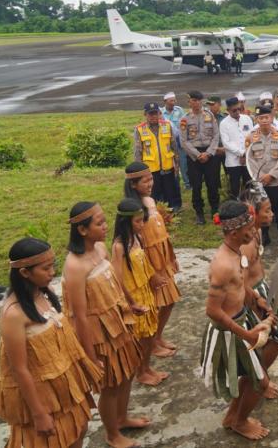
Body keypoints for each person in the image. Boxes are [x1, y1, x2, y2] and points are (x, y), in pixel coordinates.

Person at [0, 238, 102, 448]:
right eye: (45, 268)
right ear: (25, 273)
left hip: (65, 388)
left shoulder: (45, 293)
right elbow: (19, 369)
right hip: (42, 397)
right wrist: (38, 414)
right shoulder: (13, 314)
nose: (52, 272)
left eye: (53, 265)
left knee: (78, 430)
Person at [62, 202, 145, 448]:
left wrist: (129, 304)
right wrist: (90, 356)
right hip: (98, 334)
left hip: (118, 324)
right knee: (111, 383)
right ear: (82, 230)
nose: (106, 226)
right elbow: (79, 315)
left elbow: (114, 284)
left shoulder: (99, 248)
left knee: (127, 372)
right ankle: (112, 434)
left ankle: (121, 418)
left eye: (104, 220)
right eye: (99, 223)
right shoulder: (74, 265)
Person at [201, 200, 274, 441]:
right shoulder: (222, 265)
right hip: (230, 331)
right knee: (260, 383)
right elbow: (212, 310)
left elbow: (240, 282)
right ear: (234, 233)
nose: (253, 233)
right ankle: (240, 422)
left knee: (250, 375)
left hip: (241, 321)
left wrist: (255, 298)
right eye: (249, 230)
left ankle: (233, 416)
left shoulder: (236, 252)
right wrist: (246, 334)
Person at [124, 162, 181, 356]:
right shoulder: (135, 208)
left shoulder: (149, 200)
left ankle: (158, 337)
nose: (150, 183)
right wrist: (152, 272)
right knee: (158, 304)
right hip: (150, 264)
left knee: (170, 300)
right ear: (133, 184)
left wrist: (170, 257)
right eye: (145, 180)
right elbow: (139, 245)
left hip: (162, 259)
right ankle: (152, 342)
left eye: (151, 178)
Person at [240, 183, 278, 398]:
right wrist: (257, 300)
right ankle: (257, 381)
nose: (271, 214)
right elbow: (239, 282)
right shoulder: (245, 244)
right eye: (267, 210)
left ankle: (259, 378)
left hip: (261, 289)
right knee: (273, 340)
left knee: (274, 340)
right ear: (252, 212)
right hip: (252, 297)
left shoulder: (256, 231)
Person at [111, 197, 165, 387]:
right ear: (126, 222)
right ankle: (140, 372)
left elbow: (144, 262)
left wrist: (154, 278)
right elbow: (117, 278)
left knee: (151, 333)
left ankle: (148, 367)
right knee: (141, 337)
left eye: (142, 220)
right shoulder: (119, 247)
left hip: (146, 292)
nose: (142, 224)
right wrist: (131, 303)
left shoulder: (138, 239)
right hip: (133, 297)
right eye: (137, 221)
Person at [247, 103, 278, 248]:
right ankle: (264, 235)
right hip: (258, 181)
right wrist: (260, 176)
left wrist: (271, 175)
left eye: (266, 117)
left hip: (277, 180)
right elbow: (249, 159)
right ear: (256, 120)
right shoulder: (251, 137)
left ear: (271, 118)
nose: (264, 120)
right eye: (261, 118)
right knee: (260, 210)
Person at [181, 90, 221, 224]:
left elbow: (216, 136)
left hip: (210, 154)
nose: (196, 103)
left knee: (212, 183)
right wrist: (198, 155)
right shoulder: (185, 119)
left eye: (198, 100)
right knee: (196, 185)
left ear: (202, 101)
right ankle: (199, 212)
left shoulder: (209, 115)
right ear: (189, 102)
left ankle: (215, 210)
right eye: (193, 100)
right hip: (194, 156)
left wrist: (208, 153)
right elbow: (184, 141)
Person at [134, 102, 182, 211]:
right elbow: (138, 152)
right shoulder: (140, 129)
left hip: (168, 167)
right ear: (145, 115)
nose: (153, 116)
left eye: (155, 113)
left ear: (159, 113)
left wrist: (177, 167)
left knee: (170, 193)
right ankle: (154, 215)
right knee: (154, 195)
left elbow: (174, 147)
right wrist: (139, 173)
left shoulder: (167, 125)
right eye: (150, 114)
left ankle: (172, 215)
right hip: (150, 171)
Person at [220, 96, 255, 200]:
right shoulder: (224, 123)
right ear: (228, 110)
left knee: (249, 185)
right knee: (235, 187)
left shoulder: (247, 119)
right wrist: (241, 153)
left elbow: (251, 137)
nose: (237, 112)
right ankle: (236, 210)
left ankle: (250, 207)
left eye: (239, 109)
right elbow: (226, 143)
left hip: (248, 159)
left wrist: (246, 154)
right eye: (234, 110)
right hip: (233, 161)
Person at [160, 91, 190, 190]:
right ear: (165, 101)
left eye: (174, 100)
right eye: (171, 101)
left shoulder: (179, 110)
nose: (173, 102)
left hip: (179, 142)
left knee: (183, 163)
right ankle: (174, 184)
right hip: (167, 143)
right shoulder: (160, 112)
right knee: (170, 165)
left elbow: (184, 124)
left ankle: (187, 184)